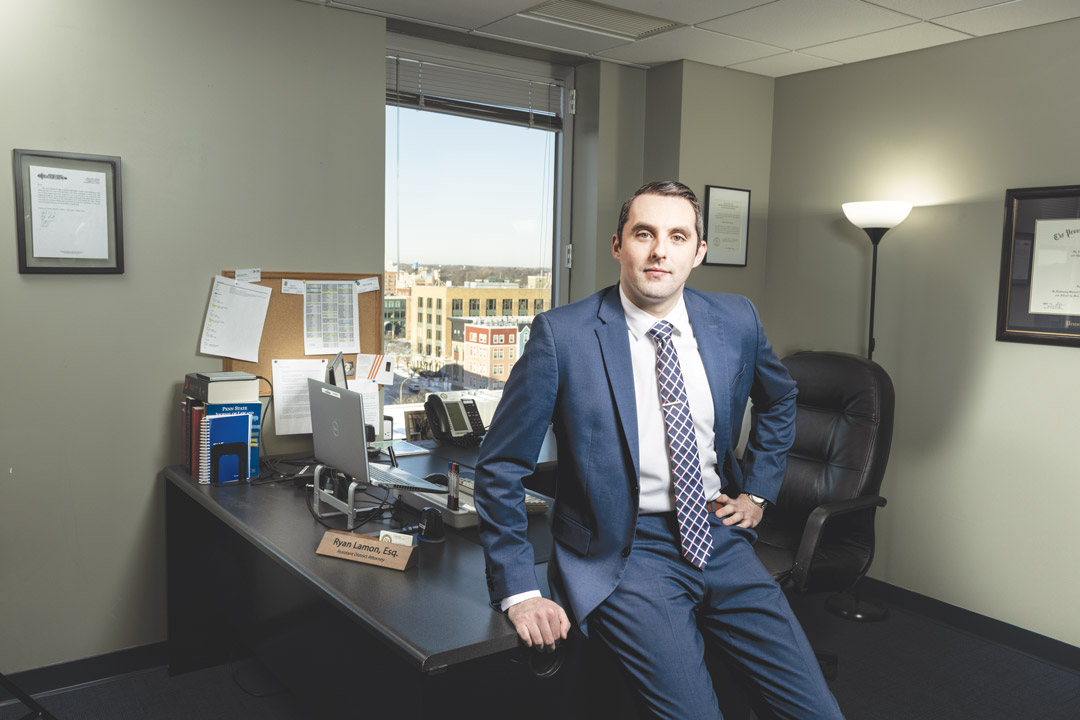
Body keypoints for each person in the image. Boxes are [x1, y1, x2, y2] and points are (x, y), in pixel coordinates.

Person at [473, 181, 844, 719]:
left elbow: (781, 396)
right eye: (643, 233)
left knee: (817, 713)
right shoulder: (564, 336)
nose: (659, 250)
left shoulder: (736, 320)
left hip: (718, 536)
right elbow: (501, 465)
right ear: (618, 244)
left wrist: (759, 492)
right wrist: (518, 589)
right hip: (626, 553)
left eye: (677, 236)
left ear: (698, 253)